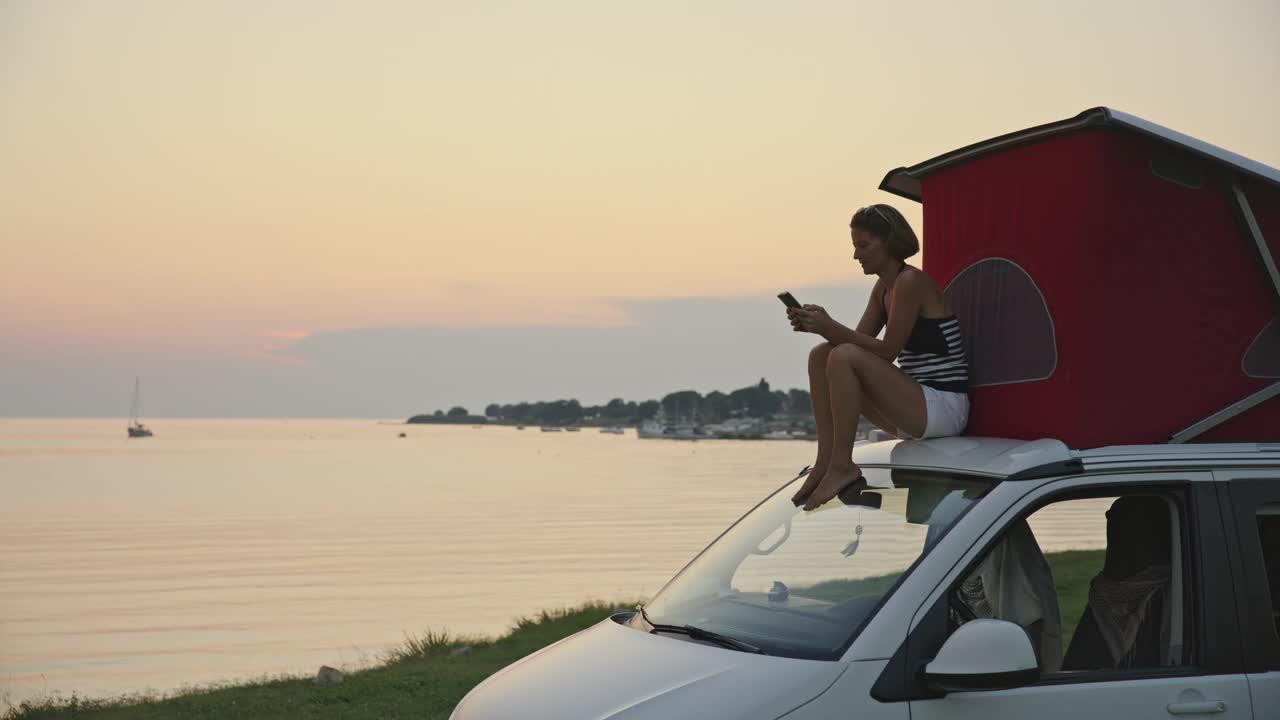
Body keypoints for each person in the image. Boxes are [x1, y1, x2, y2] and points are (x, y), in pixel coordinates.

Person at [787, 204, 970, 510]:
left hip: (944, 407)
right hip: (914, 409)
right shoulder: (882, 289)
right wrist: (818, 328)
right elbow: (852, 349)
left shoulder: (911, 281)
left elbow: (886, 351)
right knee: (823, 355)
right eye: (854, 246)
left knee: (841, 354)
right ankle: (826, 462)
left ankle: (843, 466)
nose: (856, 255)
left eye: (863, 246)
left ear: (888, 244)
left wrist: (830, 326)